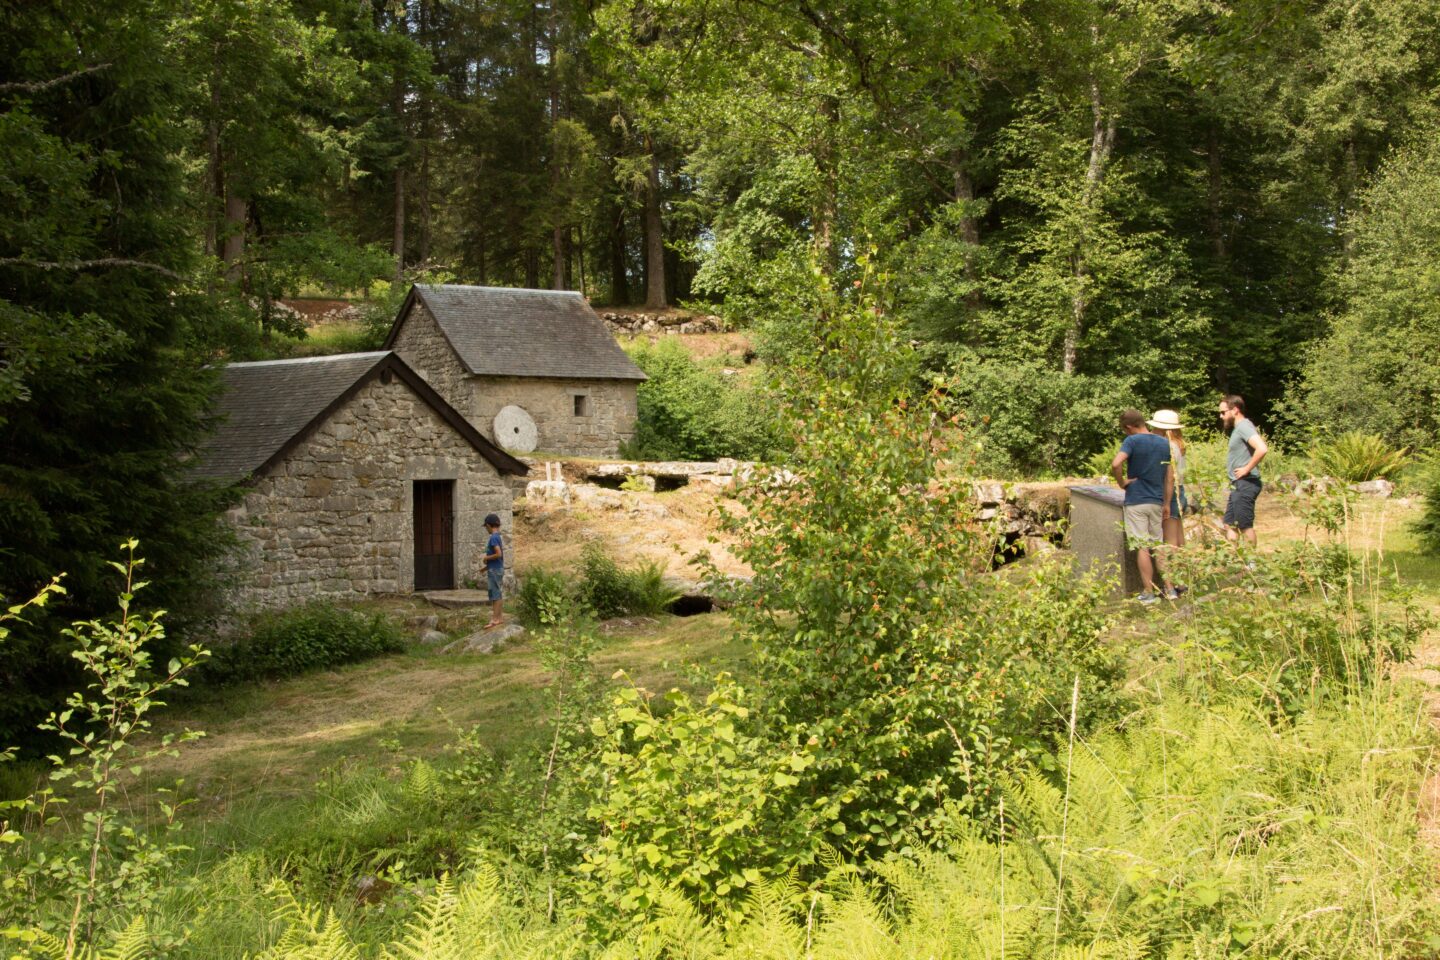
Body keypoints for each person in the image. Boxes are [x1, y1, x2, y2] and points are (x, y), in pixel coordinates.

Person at [1111, 409, 1177, 604]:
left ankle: (1149, 592)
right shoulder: (1164, 443)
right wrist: (1166, 503)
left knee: (1142, 547)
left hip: (1136, 500)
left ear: (1130, 426)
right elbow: (1169, 477)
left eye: (1125, 430)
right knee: (1159, 545)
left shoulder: (1131, 441)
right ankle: (1170, 588)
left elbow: (1116, 464)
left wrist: (1122, 482)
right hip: (1157, 500)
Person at [1218, 395, 1267, 548]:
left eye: (1223, 412)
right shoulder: (1239, 428)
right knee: (1229, 524)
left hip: (1246, 482)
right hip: (1238, 484)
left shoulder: (1244, 426)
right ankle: (1236, 560)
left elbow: (1262, 448)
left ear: (1235, 410)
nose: (1221, 416)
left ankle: (1251, 564)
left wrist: (1246, 468)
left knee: (1244, 525)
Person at [1147, 409, 1188, 549]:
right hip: (1180, 490)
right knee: (1179, 537)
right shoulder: (1179, 445)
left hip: (1170, 493)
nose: (1152, 432)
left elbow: (1169, 478)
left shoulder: (1168, 447)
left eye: (1155, 428)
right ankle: (1186, 568)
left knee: (1170, 541)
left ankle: (1171, 569)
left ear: (1163, 430)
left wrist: (1166, 502)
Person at [482, 513, 505, 628]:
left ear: (488, 525)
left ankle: (495, 619)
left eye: (486, 527)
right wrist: (485, 567)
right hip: (496, 568)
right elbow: (498, 558)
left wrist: (486, 558)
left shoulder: (493, 538)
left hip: (495, 571)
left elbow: (498, 554)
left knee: (495, 595)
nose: (486, 529)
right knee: (498, 594)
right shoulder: (498, 536)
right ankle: (499, 618)